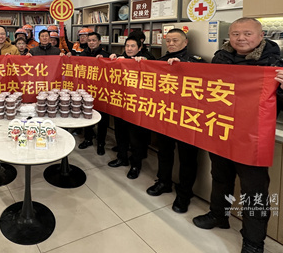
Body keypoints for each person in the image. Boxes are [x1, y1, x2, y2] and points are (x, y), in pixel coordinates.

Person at [193, 18, 283, 253]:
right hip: (221, 131)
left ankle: (254, 242)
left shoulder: (276, 64)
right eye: (235, 34)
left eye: (247, 33)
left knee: (254, 192)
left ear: (261, 35)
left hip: (253, 139)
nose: (241, 38)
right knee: (220, 177)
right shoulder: (220, 58)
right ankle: (219, 215)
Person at [146, 28, 206, 215]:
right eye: (168, 41)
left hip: (188, 118)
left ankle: (184, 194)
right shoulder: (161, 61)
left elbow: (207, 85)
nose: (171, 44)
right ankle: (163, 182)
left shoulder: (197, 61)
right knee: (164, 151)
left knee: (188, 158)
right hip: (165, 115)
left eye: (175, 40)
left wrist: (184, 67)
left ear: (185, 42)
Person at [107, 34, 153, 179]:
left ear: (139, 48)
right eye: (127, 46)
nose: (129, 48)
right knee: (120, 133)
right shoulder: (121, 59)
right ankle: (122, 158)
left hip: (136, 106)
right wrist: (112, 58)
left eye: (133, 46)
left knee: (135, 139)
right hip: (120, 103)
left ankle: (135, 165)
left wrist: (145, 62)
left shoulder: (145, 59)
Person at [78, 31, 109, 155]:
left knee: (103, 119)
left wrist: (105, 60)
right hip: (87, 91)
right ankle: (88, 139)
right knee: (87, 115)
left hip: (101, 92)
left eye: (94, 40)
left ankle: (101, 143)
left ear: (99, 42)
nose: (91, 43)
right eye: (89, 40)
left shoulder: (106, 55)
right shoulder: (82, 54)